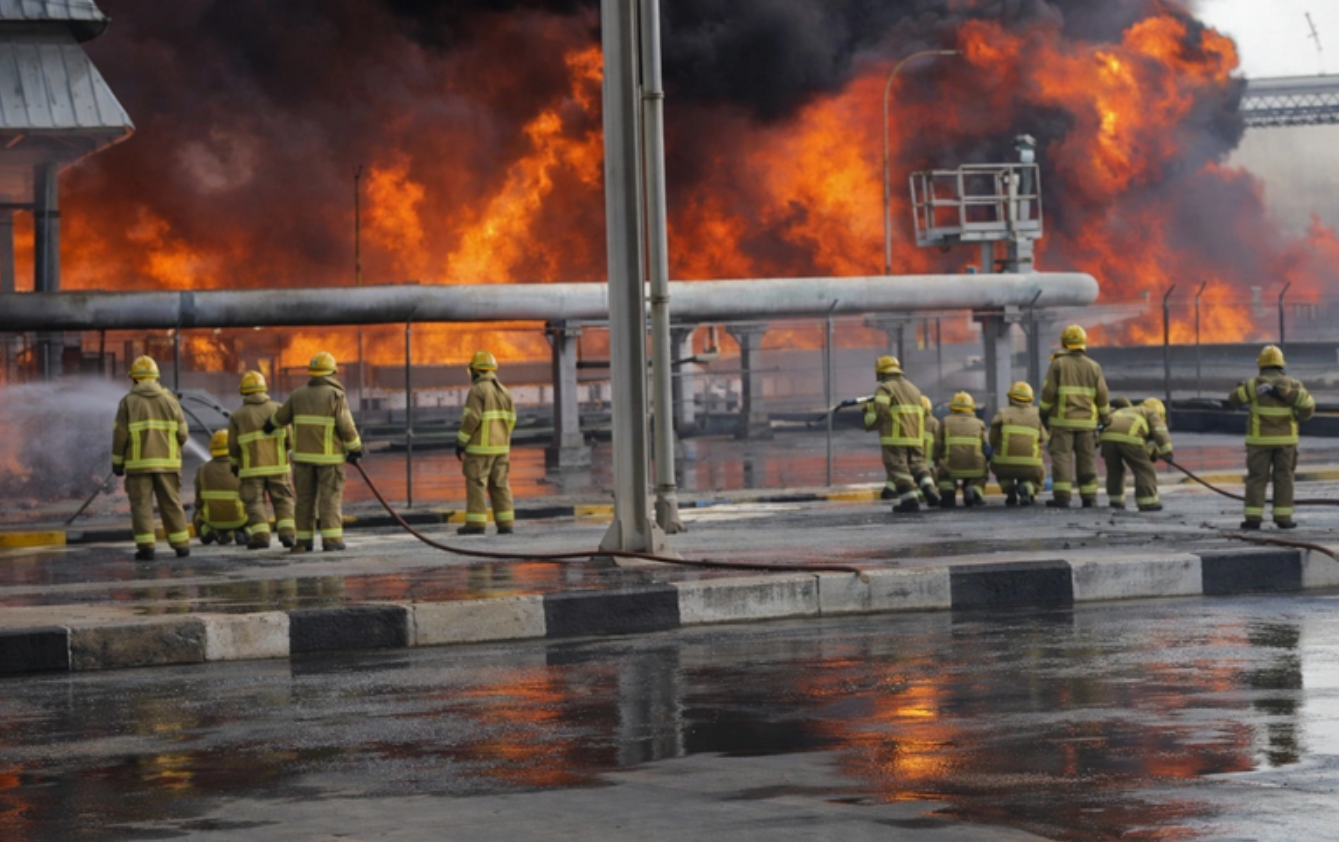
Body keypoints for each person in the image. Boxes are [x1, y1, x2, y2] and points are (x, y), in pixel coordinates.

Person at [267, 352, 362, 552]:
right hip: (330, 460)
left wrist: (269, 424)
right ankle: (331, 541)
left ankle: (304, 541)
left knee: (304, 500)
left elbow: (280, 418)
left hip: (302, 460)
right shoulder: (335, 396)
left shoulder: (297, 395)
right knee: (330, 499)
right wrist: (355, 448)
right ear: (333, 372)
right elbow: (346, 426)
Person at [111, 355, 191, 560]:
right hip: (168, 464)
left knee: (141, 506)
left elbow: (120, 436)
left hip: (139, 465)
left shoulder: (128, 403)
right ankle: (181, 545)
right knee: (172, 503)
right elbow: (183, 433)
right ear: (156, 377)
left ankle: (146, 547)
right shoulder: (171, 401)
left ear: (134, 378)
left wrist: (118, 463)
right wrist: (172, 450)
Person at [1228, 345, 1315, 530]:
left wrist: (1248, 390)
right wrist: (1291, 400)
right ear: (1281, 366)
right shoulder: (1293, 384)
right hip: (1286, 442)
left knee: (1257, 478)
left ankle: (1253, 519)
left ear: (1261, 366)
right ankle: (1283, 518)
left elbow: (1233, 400)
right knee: (1284, 478)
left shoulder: (1253, 385)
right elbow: (1308, 409)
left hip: (1259, 442)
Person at [1039, 324, 1111, 508]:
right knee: (1087, 458)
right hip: (1087, 424)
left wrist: (1043, 413)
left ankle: (1062, 497)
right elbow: (1102, 395)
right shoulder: (1094, 367)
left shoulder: (1058, 364)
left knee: (1062, 458)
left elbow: (1048, 392)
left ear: (1064, 343)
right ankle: (1089, 497)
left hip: (1062, 422)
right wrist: (1105, 418)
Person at [228, 370, 296, 549]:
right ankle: (287, 534)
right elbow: (290, 440)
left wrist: (234, 465)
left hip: (251, 469)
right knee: (283, 499)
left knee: (254, 502)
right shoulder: (279, 409)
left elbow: (233, 446)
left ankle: (261, 537)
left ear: (242, 390)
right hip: (278, 467)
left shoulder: (237, 416)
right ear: (264, 387)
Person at [864, 355, 939, 512]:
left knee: (898, 468)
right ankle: (929, 488)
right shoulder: (914, 389)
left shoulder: (885, 388)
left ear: (880, 372)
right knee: (918, 464)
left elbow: (882, 412)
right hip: (915, 437)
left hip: (895, 438)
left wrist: (869, 413)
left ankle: (909, 500)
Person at [455, 350, 517, 535]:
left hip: (480, 450)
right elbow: (512, 420)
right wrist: (501, 437)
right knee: (500, 485)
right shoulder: (505, 391)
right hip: (501, 448)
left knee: (477, 484)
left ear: (475, 370)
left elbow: (472, 419)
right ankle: (506, 524)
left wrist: (461, 442)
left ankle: (476, 524)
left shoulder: (477, 390)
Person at [1100, 397, 1173, 512]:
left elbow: (1144, 445)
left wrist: (1154, 453)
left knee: (1115, 470)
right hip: (1129, 437)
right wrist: (1167, 452)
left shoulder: (1130, 411)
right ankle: (1147, 502)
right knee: (1144, 468)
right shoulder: (1152, 413)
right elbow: (1160, 431)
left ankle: (1116, 501)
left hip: (1107, 438)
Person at [989, 381, 1048, 506]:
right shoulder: (1037, 415)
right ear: (1030, 399)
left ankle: (1009, 489)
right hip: (1031, 465)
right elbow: (1043, 438)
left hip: (1004, 464)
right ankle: (1028, 487)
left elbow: (992, 440)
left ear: (1010, 398)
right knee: (1038, 474)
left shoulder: (1002, 413)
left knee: (999, 470)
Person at [194, 430, 247, 544]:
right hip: (239, 519)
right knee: (256, 509)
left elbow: (198, 500)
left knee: (197, 515)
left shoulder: (202, 469)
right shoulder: (242, 466)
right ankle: (243, 532)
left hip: (212, 521)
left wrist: (200, 510)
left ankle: (209, 531)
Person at [936, 391, 989, 507]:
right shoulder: (979, 423)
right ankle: (974, 489)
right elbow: (985, 446)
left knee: (944, 477)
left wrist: (936, 461)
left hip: (951, 466)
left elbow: (938, 445)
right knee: (980, 477)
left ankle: (948, 491)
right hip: (975, 466)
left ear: (952, 407)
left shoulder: (945, 422)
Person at [920, 395, 940, 502]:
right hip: (931, 466)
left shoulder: (910, 422)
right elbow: (939, 443)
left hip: (914, 465)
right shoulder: (934, 423)